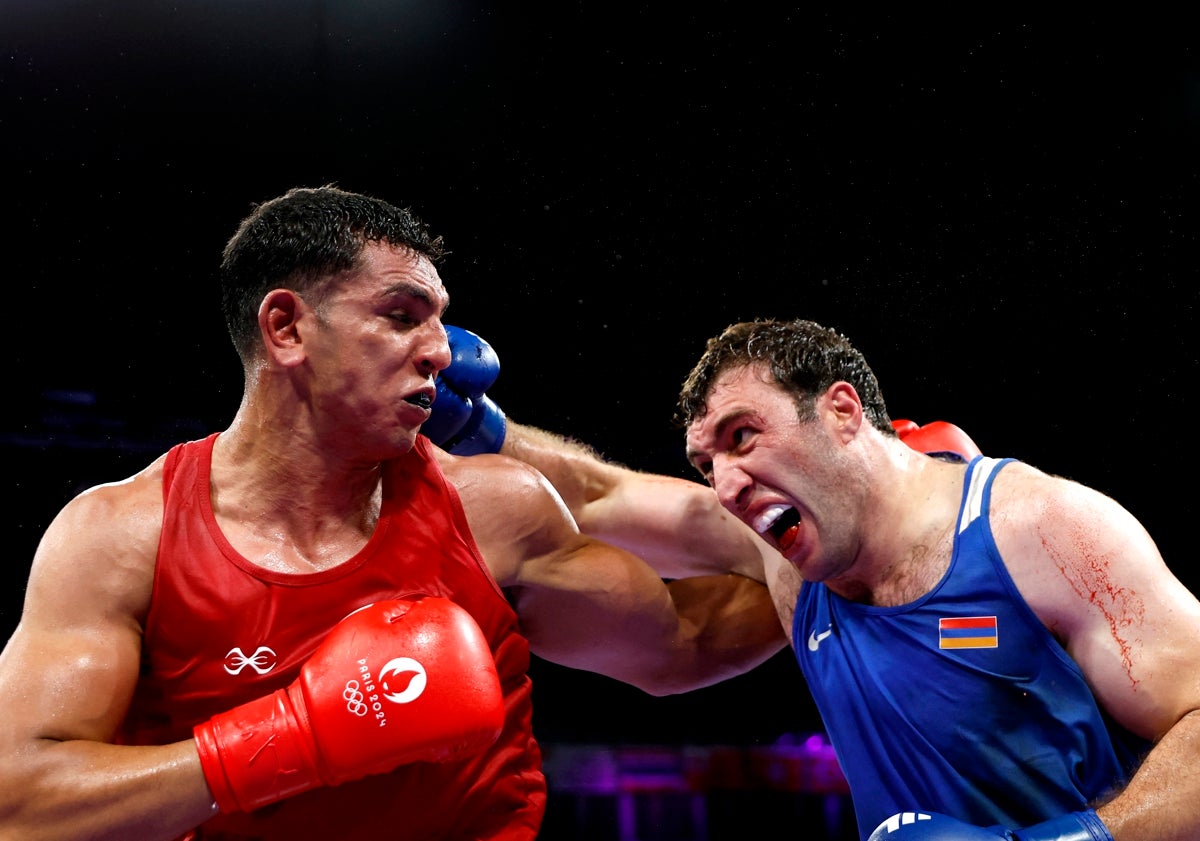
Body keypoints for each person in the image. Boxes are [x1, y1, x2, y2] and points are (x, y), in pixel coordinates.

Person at [0, 185, 787, 841]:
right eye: (403, 315)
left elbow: (686, 641)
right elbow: (21, 803)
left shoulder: (492, 512)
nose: (443, 351)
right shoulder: (121, 537)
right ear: (287, 328)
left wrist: (833, 559)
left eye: (441, 319)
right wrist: (293, 738)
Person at [429, 319, 1200, 841]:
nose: (727, 483)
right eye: (709, 464)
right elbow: (602, 492)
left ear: (841, 411)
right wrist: (478, 427)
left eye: (743, 436)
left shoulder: (1041, 530)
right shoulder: (782, 551)